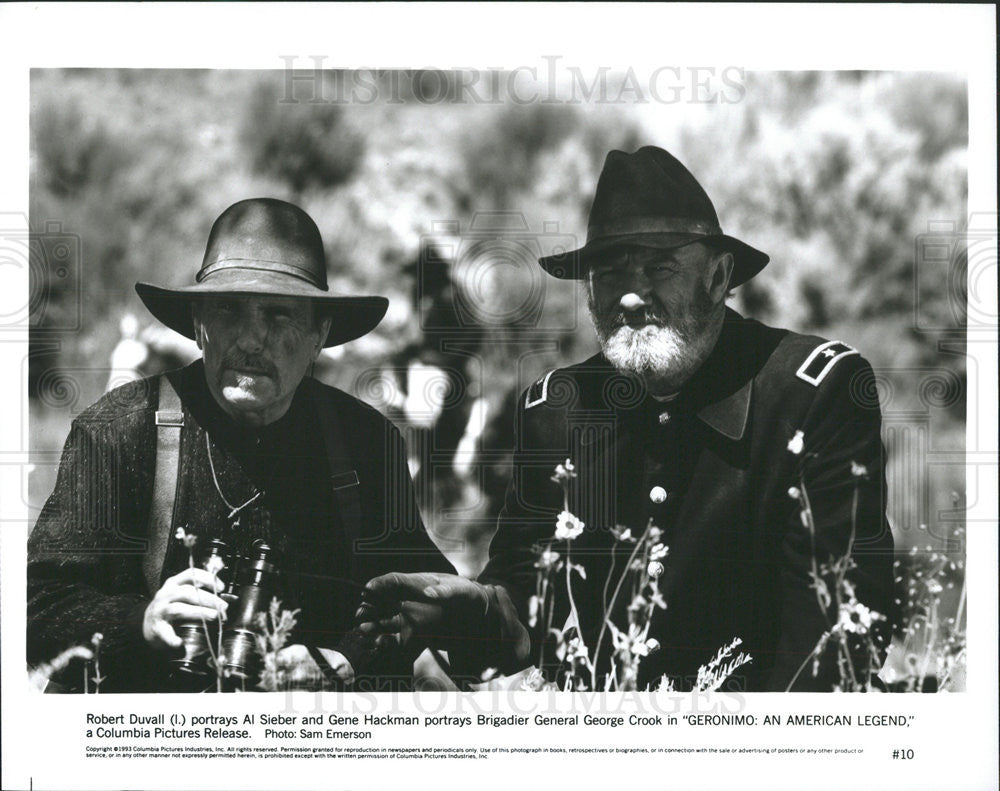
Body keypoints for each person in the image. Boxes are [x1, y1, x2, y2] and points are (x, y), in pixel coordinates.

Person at [360, 146, 896, 691]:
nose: (633, 296)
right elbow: (528, 605)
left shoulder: (814, 393)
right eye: (611, 271)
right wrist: (470, 612)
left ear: (717, 277)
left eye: (660, 267)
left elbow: (837, 635)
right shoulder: (557, 410)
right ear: (589, 289)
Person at [27, 198, 454, 692]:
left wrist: (346, 662)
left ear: (320, 334)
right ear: (198, 324)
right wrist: (141, 622)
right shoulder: (120, 431)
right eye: (228, 309)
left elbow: (427, 602)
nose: (251, 339)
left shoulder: (364, 443)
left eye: (278, 315)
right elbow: (33, 606)